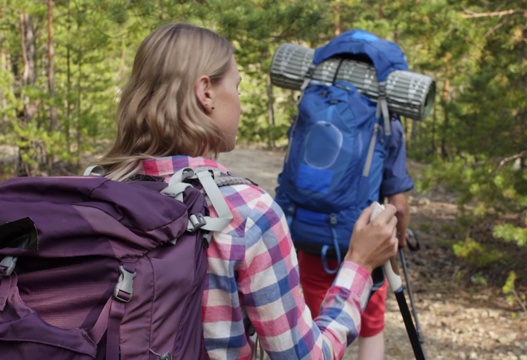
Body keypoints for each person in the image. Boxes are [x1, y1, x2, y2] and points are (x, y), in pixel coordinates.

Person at [96, 22, 399, 360]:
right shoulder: (249, 213)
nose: (239, 103)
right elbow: (306, 356)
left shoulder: (97, 191)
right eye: (236, 87)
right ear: (205, 92)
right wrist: (359, 264)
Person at [296, 116, 414, 360]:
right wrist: (399, 237)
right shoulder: (387, 120)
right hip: (369, 244)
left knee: (318, 330)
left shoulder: (320, 109)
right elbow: (399, 206)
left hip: (314, 242)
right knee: (370, 328)